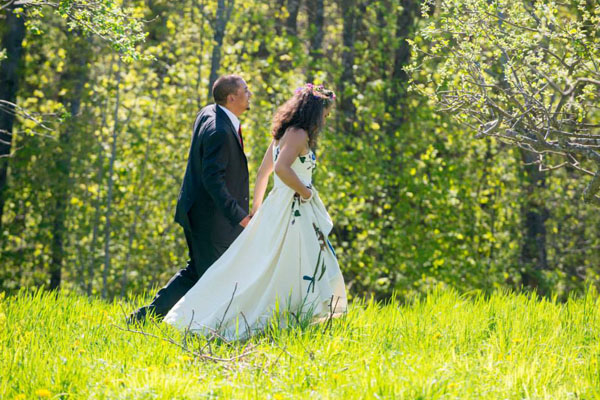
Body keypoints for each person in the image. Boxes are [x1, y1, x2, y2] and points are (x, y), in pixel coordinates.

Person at [163, 83, 347, 340]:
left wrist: (257, 211)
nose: (326, 119)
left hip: (281, 206)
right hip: (292, 207)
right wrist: (305, 192)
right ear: (315, 111)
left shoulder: (284, 133)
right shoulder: (299, 134)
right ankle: (279, 314)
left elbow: (263, 174)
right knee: (283, 262)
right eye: (325, 113)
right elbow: (281, 169)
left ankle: (302, 311)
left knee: (291, 259)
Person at [128, 75, 252, 324]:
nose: (250, 94)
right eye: (245, 90)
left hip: (198, 212)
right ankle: (207, 327)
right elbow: (212, 179)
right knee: (215, 277)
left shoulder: (209, 112)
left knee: (196, 272)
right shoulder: (219, 130)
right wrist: (239, 215)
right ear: (231, 98)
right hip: (211, 220)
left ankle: (145, 317)